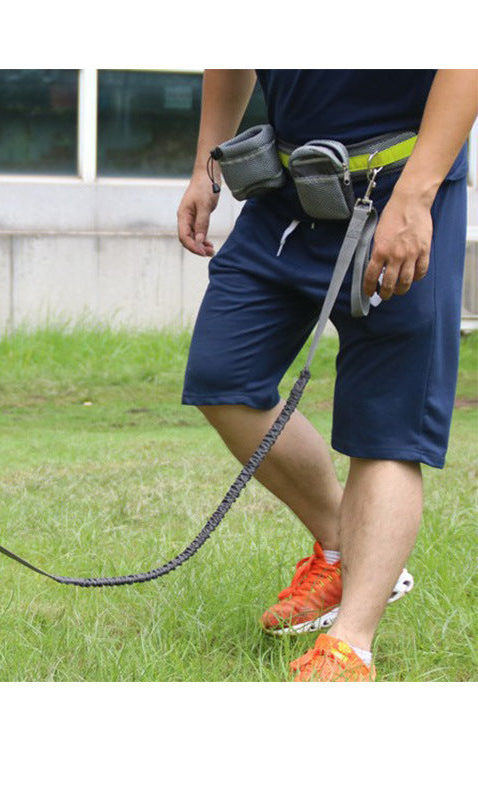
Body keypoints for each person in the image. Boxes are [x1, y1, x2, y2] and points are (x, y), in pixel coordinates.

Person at [177, 69, 477, 681]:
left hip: (398, 185)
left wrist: (416, 198)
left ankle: (351, 644)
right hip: (287, 185)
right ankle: (348, 547)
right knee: (222, 373)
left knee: (386, 426)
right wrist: (206, 167)